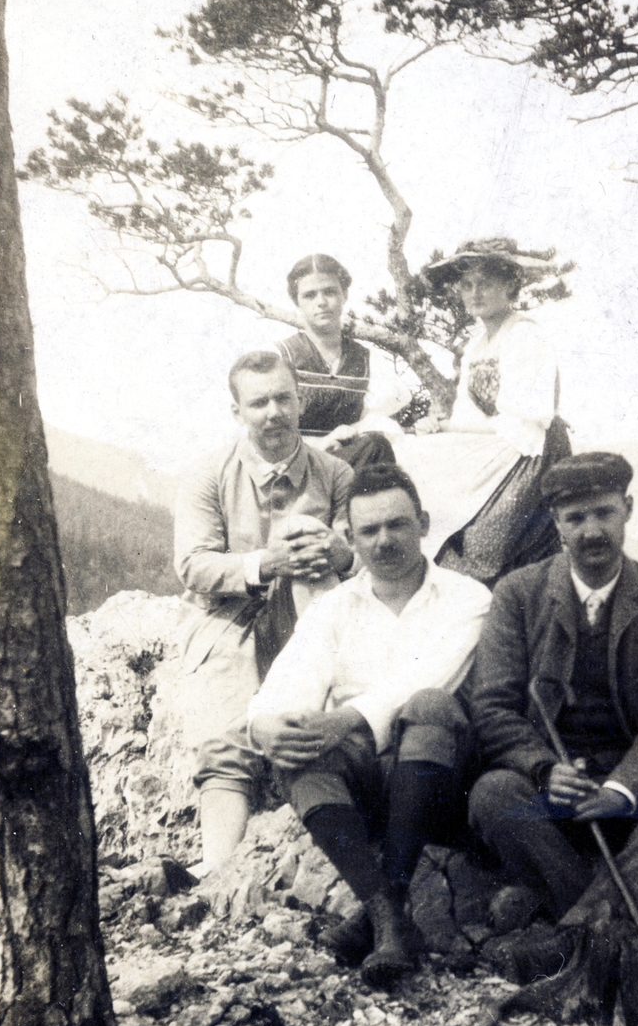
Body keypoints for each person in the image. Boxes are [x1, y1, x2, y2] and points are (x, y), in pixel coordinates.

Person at [242, 463, 492, 987]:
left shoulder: (469, 599)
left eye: (397, 524)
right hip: (369, 790)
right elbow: (284, 688)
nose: (384, 541)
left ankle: (384, 910)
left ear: (423, 523)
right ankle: (389, 918)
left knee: (428, 705)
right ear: (350, 539)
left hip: (442, 781)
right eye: (369, 530)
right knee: (297, 747)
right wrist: (265, 727)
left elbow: (434, 679)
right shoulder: (334, 608)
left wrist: (347, 720)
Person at [467, 452, 638, 932]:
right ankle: (618, 920)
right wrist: (545, 770)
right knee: (493, 793)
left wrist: (621, 789)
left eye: (604, 513)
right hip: (553, 798)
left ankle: (585, 920)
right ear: (556, 524)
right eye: (576, 518)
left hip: (633, 799)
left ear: (627, 508)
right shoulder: (517, 594)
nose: (591, 531)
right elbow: (494, 707)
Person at [175, 349, 354, 870]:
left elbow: (360, 552)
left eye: (283, 398)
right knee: (226, 731)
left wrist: (340, 553)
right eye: (258, 403)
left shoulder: (335, 472)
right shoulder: (208, 473)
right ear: (238, 412)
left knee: (317, 723)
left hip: (313, 612)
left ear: (300, 401)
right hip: (232, 618)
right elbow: (192, 564)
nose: (272, 413)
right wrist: (263, 563)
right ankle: (216, 867)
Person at [393, 237, 571, 584]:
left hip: (530, 452)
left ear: (510, 285)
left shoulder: (525, 336)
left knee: (479, 538)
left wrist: (452, 431)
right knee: (409, 457)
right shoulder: (476, 343)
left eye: (485, 283)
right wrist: (440, 424)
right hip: (493, 446)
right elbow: (467, 415)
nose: (475, 293)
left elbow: (525, 421)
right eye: (468, 285)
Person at [277, 252, 410, 471]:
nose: (321, 302)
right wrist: (321, 443)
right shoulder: (282, 356)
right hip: (295, 464)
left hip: (349, 461)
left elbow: (374, 422)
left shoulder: (365, 360)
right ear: (296, 302)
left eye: (329, 292)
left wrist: (351, 433)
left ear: (344, 295)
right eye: (310, 295)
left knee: (376, 446)